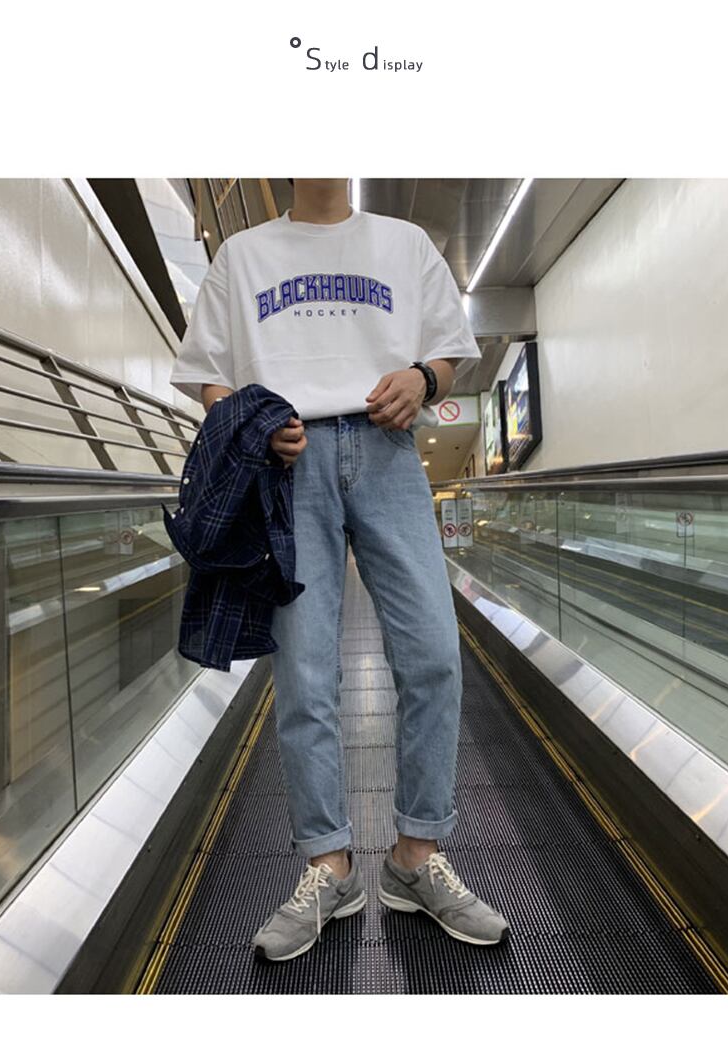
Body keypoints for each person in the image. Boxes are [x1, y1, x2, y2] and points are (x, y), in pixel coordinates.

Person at [169, 178, 509, 961]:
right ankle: (330, 864)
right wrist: (250, 423)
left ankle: (415, 856)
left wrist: (422, 379)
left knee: (433, 653)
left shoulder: (403, 244)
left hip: (388, 453)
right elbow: (209, 375)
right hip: (288, 470)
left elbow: (448, 356)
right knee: (305, 672)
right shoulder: (242, 257)